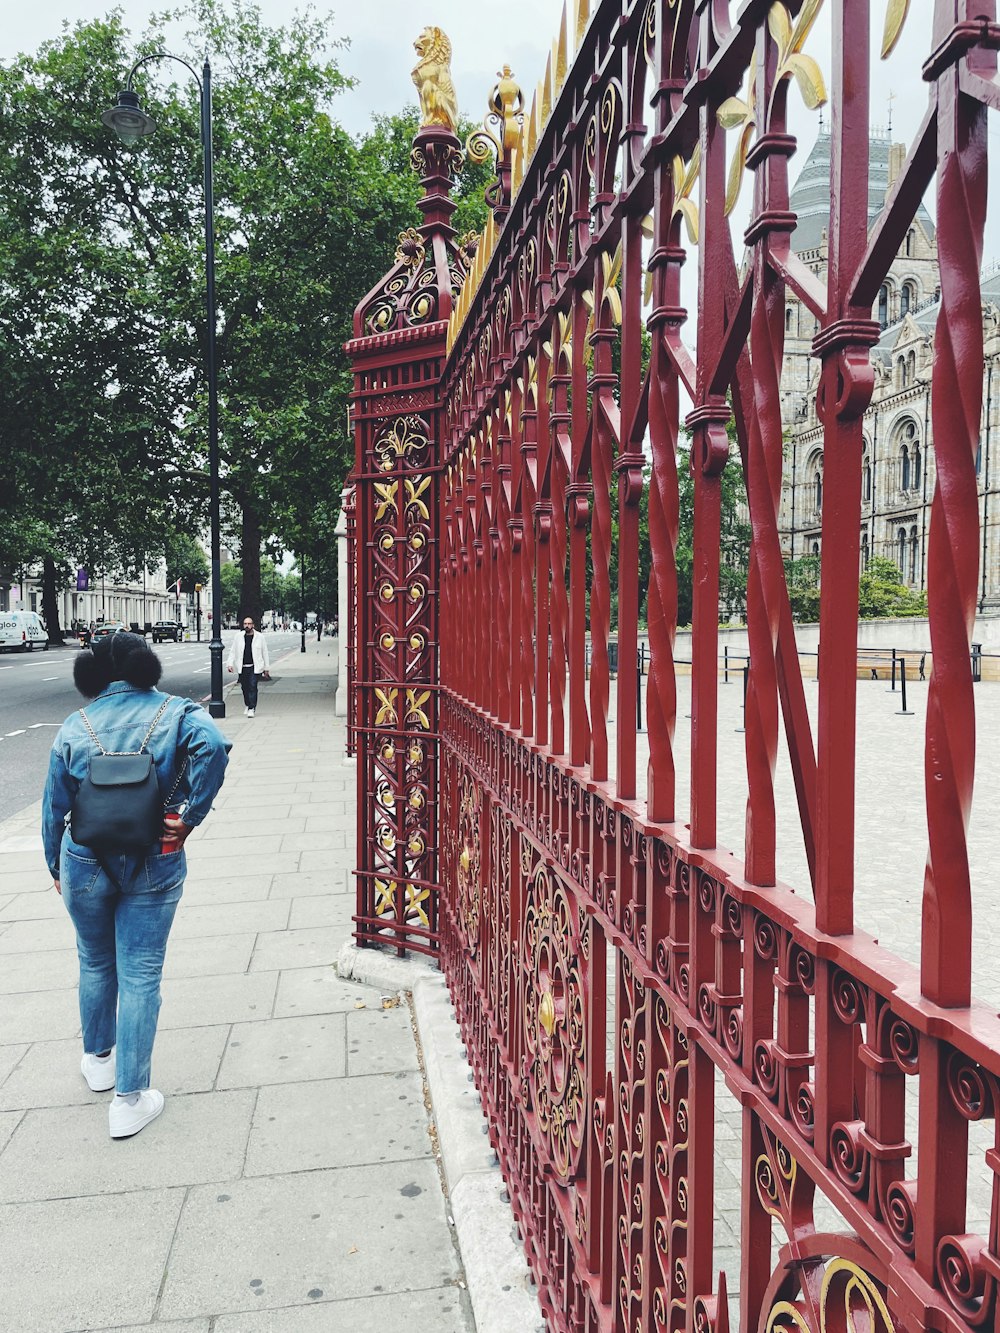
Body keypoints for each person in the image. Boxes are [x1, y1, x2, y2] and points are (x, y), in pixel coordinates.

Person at [41, 632, 229, 1139]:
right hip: (155, 856)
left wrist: (56, 869)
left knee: (94, 958)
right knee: (141, 974)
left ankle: (99, 1060)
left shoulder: (74, 726)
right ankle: (129, 1100)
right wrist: (190, 816)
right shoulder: (177, 712)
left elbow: (54, 808)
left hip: (84, 860)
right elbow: (214, 746)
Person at [226, 614, 270, 717]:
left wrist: (266, 668)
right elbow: (233, 651)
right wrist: (229, 663)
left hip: (255, 667)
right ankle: (247, 704)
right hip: (242, 667)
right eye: (245, 623)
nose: (247, 625)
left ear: (253, 625)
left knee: (253, 686)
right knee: (244, 688)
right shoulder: (238, 637)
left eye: (249, 624)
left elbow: (265, 653)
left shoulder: (260, 637)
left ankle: (252, 708)